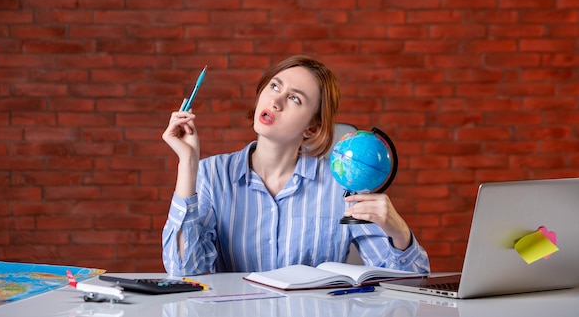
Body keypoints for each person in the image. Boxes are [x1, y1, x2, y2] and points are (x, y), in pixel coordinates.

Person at [161, 55, 430, 276]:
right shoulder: (211, 175)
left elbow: (411, 281)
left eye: (295, 99)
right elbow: (183, 270)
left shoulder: (342, 186)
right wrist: (187, 163)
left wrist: (399, 232)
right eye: (275, 87)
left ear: (311, 129)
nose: (275, 101)